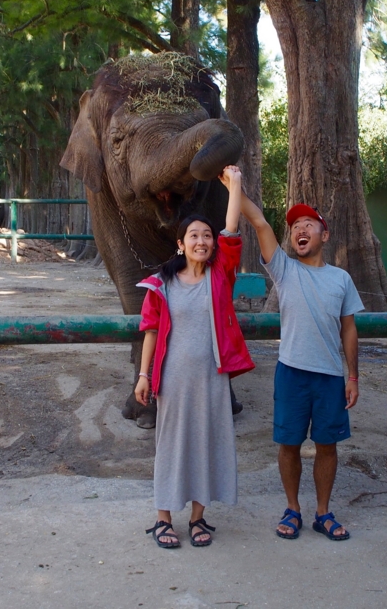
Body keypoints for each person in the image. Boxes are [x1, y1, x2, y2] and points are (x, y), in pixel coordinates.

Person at [135, 165, 255, 549]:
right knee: (170, 445)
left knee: (209, 442)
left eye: (206, 235)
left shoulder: (221, 274)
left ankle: (200, 518)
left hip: (212, 377)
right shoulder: (160, 283)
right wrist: (143, 375)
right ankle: (163, 519)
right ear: (181, 244)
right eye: (194, 235)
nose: (202, 240)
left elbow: (231, 228)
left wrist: (235, 186)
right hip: (172, 379)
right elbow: (151, 332)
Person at [240, 195, 364, 541]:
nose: (300, 229)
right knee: (289, 443)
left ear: (324, 235)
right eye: (295, 227)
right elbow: (260, 223)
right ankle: (292, 509)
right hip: (291, 372)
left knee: (327, 445)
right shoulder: (283, 269)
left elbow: (349, 328)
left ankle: (323, 513)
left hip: (329, 377)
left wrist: (353, 376)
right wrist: (234, 184)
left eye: (308, 224)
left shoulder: (341, 279)